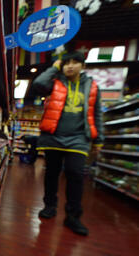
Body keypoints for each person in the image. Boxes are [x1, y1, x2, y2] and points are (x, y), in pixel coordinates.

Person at [32, 51, 104, 236]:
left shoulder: (92, 86)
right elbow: (38, 84)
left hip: (79, 138)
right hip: (54, 136)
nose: (70, 66)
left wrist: (99, 139)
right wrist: (54, 67)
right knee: (52, 174)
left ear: (83, 66)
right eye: (66, 63)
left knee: (76, 174)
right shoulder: (55, 81)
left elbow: (97, 114)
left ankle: (73, 217)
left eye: (75, 62)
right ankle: (50, 206)